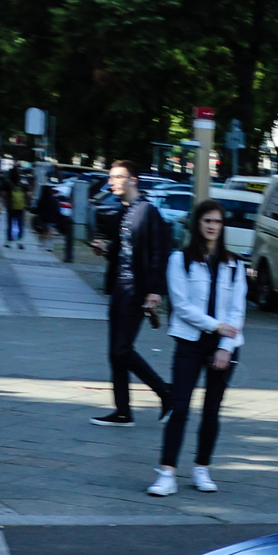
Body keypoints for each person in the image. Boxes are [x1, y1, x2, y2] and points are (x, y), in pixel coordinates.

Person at [151, 202, 246, 496]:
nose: (212, 226)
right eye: (207, 221)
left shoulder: (234, 264)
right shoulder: (180, 259)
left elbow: (237, 311)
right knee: (179, 407)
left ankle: (202, 468)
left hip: (223, 344)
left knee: (211, 411)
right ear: (197, 224)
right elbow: (181, 306)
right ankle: (167, 472)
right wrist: (215, 327)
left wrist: (225, 346)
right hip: (190, 340)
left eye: (217, 222)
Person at [94, 166, 173, 427]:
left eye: (117, 177)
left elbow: (159, 253)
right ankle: (122, 411)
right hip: (118, 288)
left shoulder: (148, 212)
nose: (112, 182)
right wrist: (105, 249)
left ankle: (165, 392)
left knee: (123, 349)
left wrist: (155, 290)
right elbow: (122, 252)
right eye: (111, 178)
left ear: (132, 180)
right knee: (114, 353)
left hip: (136, 290)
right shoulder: (122, 212)